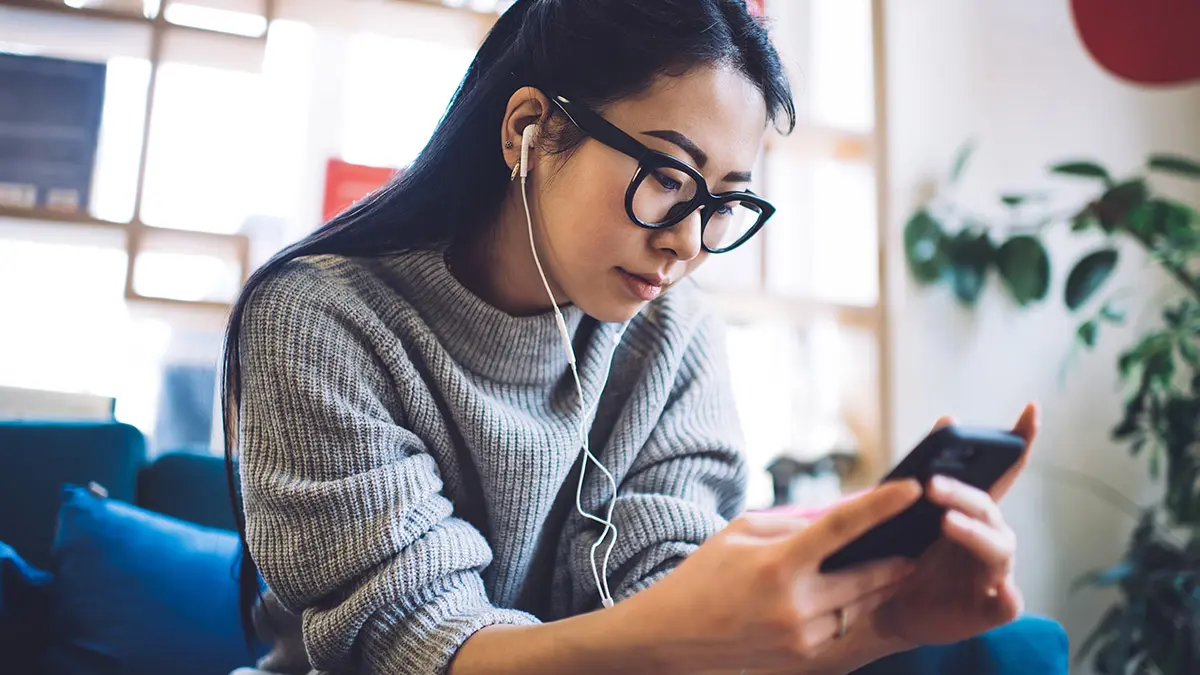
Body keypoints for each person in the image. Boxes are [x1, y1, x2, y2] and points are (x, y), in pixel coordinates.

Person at [222, 1, 1040, 673]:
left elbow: (672, 628)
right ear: (529, 131)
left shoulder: (673, 339)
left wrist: (891, 623)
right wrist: (695, 623)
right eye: (668, 178)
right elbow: (416, 649)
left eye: (722, 202)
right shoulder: (321, 319)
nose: (688, 243)